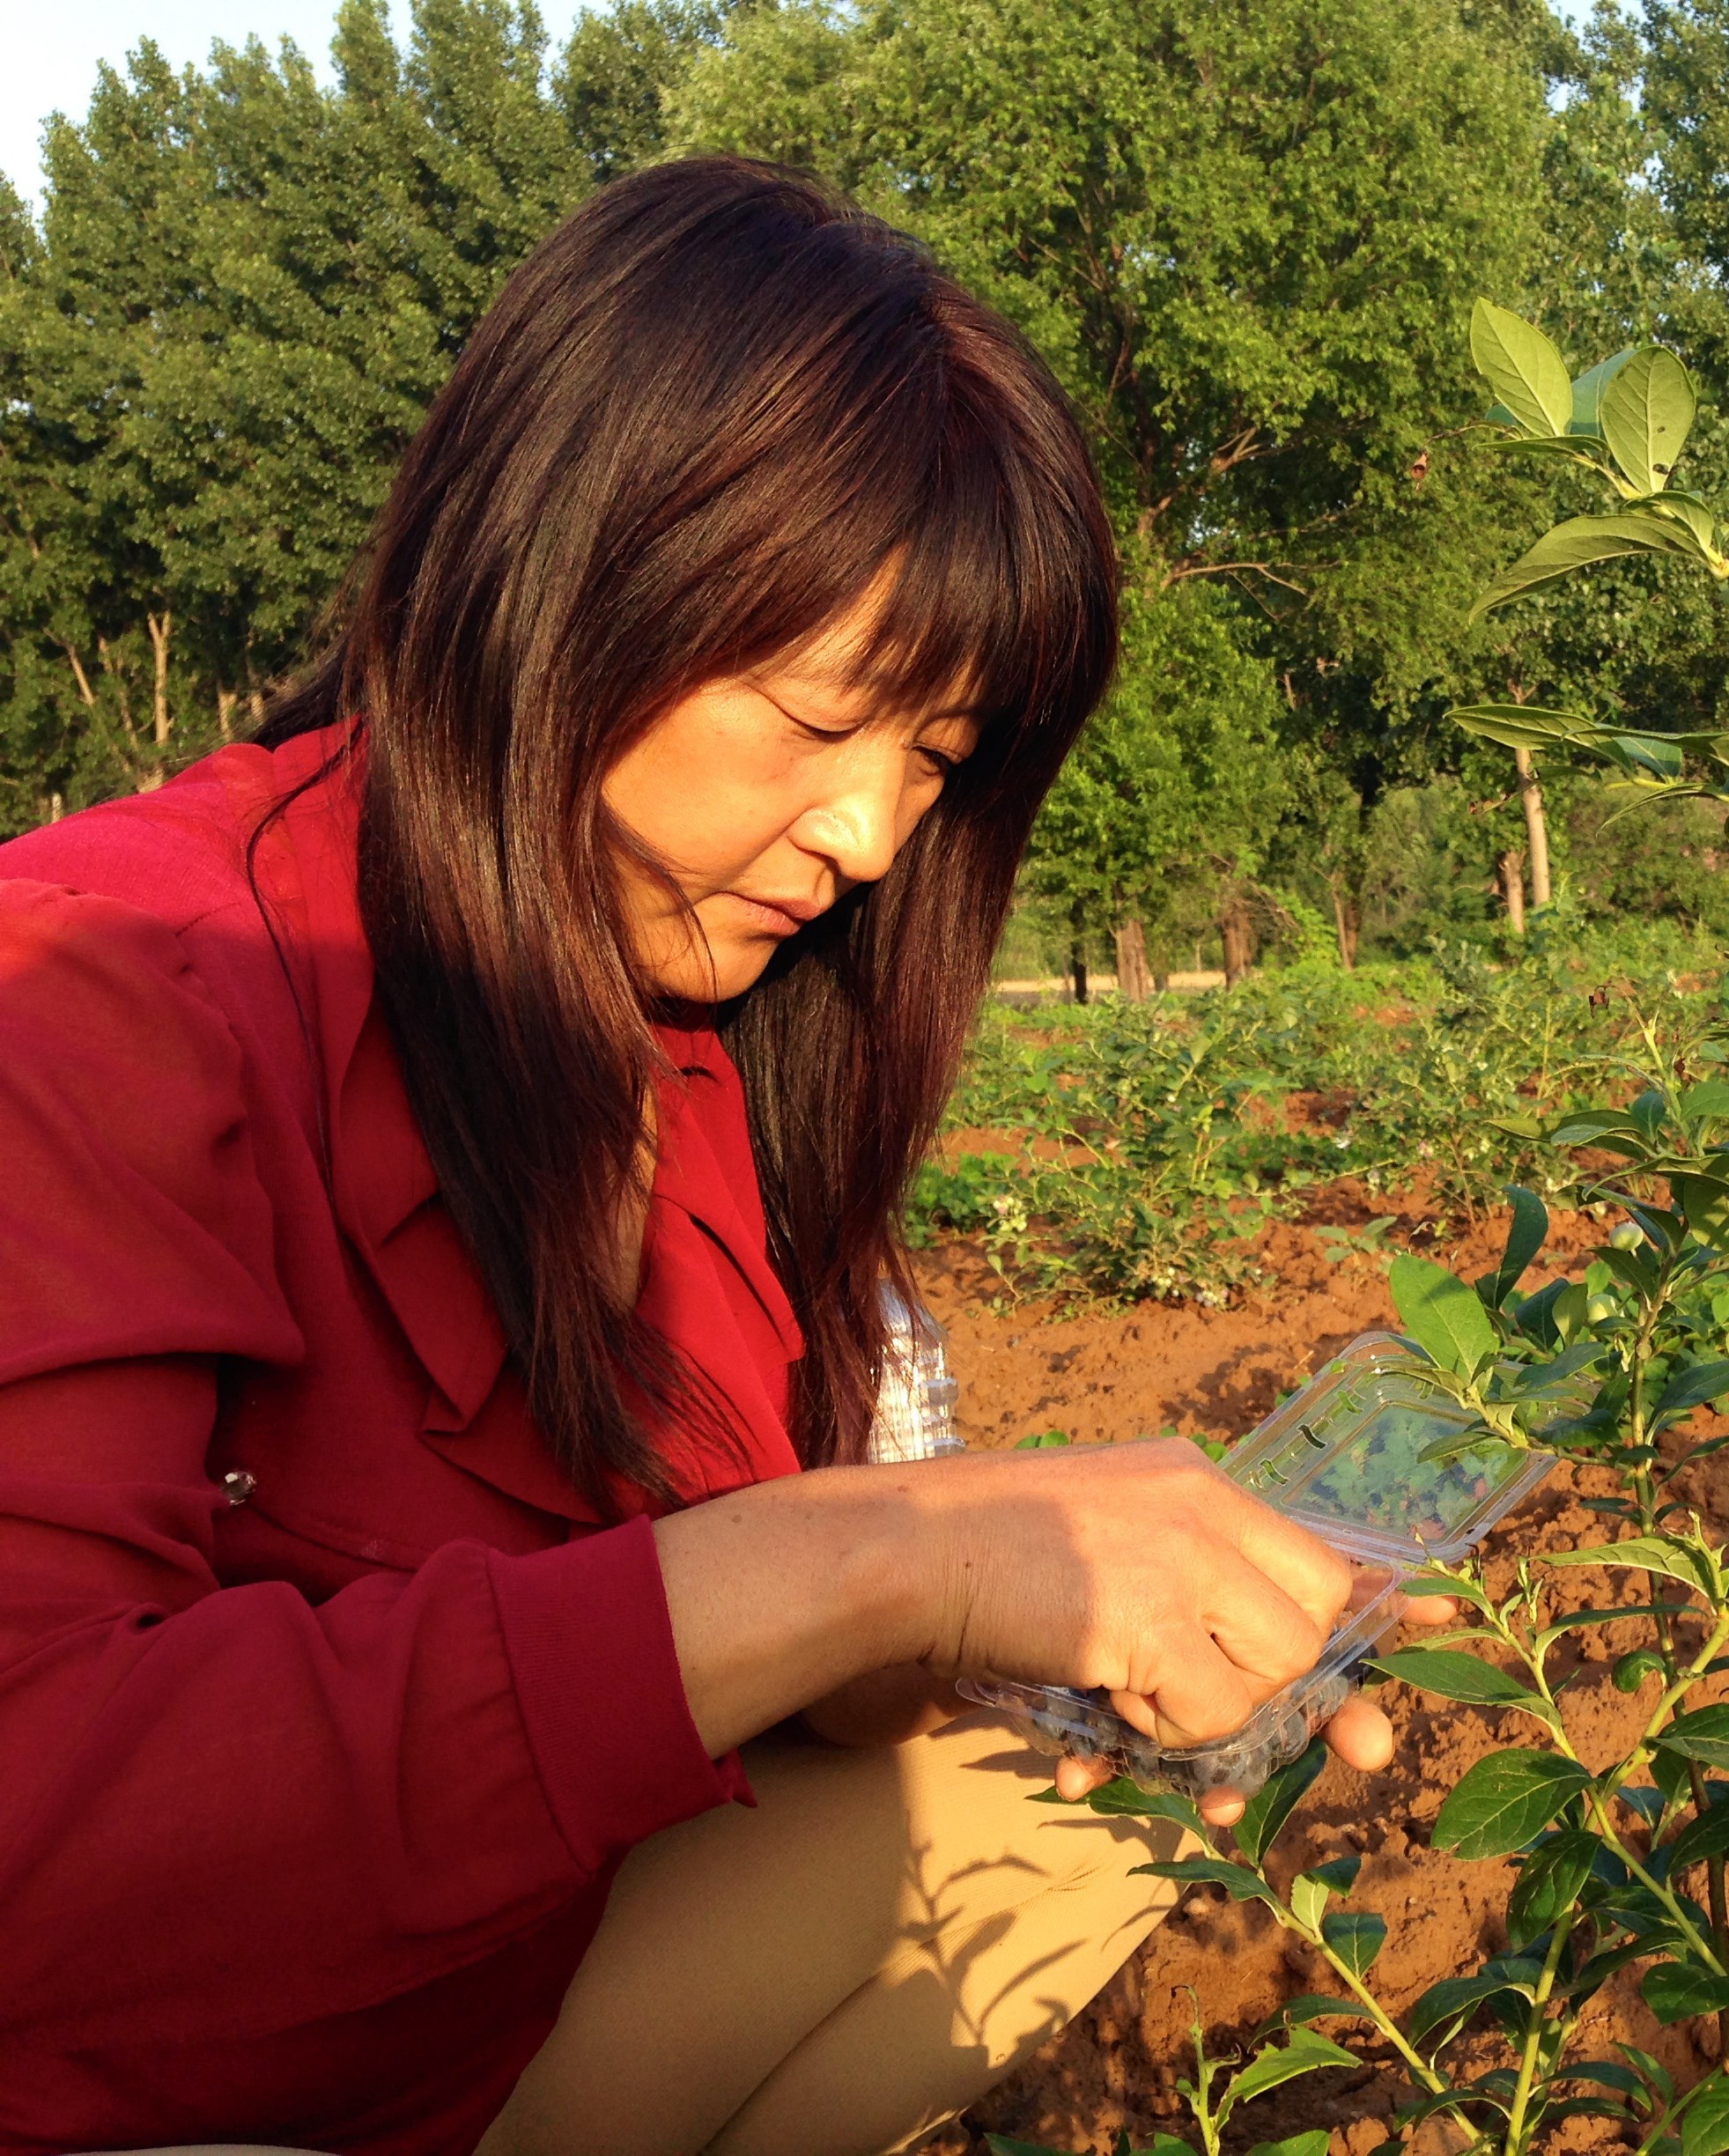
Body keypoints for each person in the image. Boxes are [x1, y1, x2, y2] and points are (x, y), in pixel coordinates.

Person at [0, 158, 1437, 2156]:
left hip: (476, 2012)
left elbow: (746, 1654)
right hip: (145, 2085)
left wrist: (1049, 1630)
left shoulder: (677, 1043)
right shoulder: (102, 976)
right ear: (566, 571)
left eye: (935, 758)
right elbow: (39, 1846)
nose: (868, 842)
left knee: (1084, 1829)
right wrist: (877, 1555)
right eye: (818, 715)